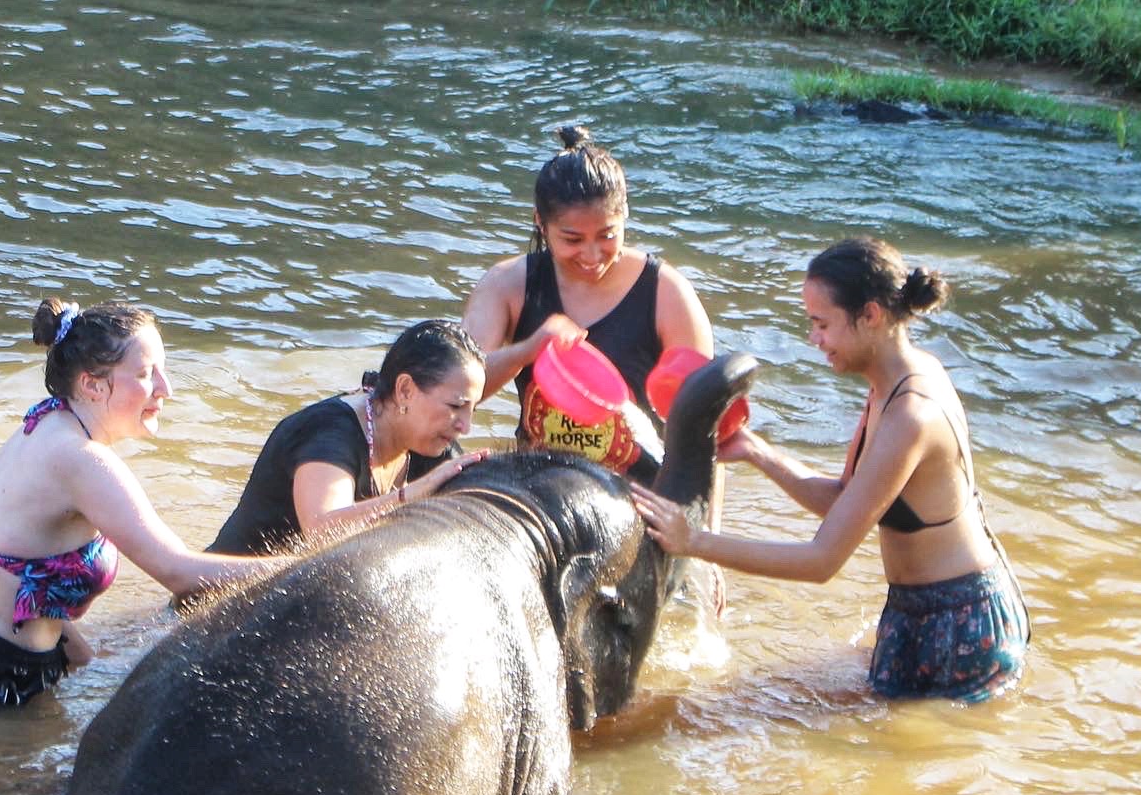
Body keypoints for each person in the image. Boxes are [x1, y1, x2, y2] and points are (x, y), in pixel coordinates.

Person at [631, 237, 1029, 702]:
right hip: (917, 610)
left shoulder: (912, 412)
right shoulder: (890, 383)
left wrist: (695, 542)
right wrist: (760, 453)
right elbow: (845, 499)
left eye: (822, 324)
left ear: (871, 316)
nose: (813, 339)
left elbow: (822, 562)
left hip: (961, 624)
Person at [0, 299, 283, 709]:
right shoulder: (82, 460)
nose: (166, 389)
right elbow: (178, 572)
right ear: (92, 385)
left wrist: (84, 658)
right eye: (145, 374)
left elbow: (21, 567)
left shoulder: (48, 420)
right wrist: (304, 567)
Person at [461, 125, 715, 484]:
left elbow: (704, 427)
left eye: (607, 235)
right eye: (572, 239)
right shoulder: (508, 284)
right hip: (536, 482)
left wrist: (700, 535)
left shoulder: (667, 293)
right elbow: (454, 391)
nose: (592, 255)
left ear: (624, 214)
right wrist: (527, 350)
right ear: (540, 222)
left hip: (638, 492)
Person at [207, 319, 488, 555]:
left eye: (472, 410)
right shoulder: (329, 431)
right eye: (455, 407)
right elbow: (321, 534)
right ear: (405, 390)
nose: (465, 426)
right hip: (214, 608)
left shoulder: (432, 444)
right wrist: (412, 494)